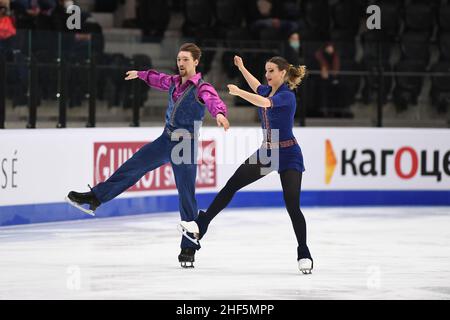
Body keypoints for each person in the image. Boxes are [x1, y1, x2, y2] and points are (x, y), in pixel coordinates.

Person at [66, 43, 230, 268]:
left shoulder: (202, 87)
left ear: (196, 62)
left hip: (185, 144)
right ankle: (96, 197)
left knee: (186, 196)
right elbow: (158, 79)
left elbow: (213, 100)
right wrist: (141, 74)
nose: (180, 63)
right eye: (179, 59)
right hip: (166, 139)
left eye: (185, 60)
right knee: (133, 165)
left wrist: (220, 114)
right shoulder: (174, 82)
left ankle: (189, 247)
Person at [179, 55, 314, 274]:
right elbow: (257, 86)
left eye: (271, 71)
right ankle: (202, 224)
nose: (267, 75)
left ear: (282, 73)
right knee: (233, 184)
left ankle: (304, 251)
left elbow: (264, 103)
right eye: (266, 70)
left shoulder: (286, 96)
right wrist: (242, 68)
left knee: (292, 205)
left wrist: (240, 93)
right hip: (268, 154)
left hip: (289, 155)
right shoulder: (266, 89)